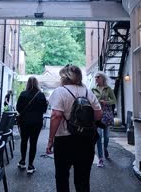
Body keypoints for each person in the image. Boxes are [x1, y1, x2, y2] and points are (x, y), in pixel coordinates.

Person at [46, 64, 102, 192]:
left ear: (64, 77)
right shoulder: (87, 91)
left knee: (62, 177)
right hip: (86, 140)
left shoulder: (60, 91)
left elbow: (56, 115)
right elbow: (99, 115)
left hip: (64, 140)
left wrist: (50, 140)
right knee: (83, 180)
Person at [16, 76, 48, 174]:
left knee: (24, 141)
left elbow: (18, 108)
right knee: (33, 143)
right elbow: (44, 110)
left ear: (28, 84)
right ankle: (30, 166)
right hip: (36, 123)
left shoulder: (23, 94)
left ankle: (22, 161)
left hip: (24, 122)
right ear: (37, 83)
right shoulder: (41, 95)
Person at [92, 71, 117, 168]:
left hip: (107, 114)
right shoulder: (93, 89)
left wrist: (105, 102)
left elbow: (114, 100)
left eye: (98, 77)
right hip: (97, 114)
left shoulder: (108, 89)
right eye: (95, 77)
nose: (96, 79)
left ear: (102, 78)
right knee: (98, 137)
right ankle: (101, 158)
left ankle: (105, 148)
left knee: (106, 137)